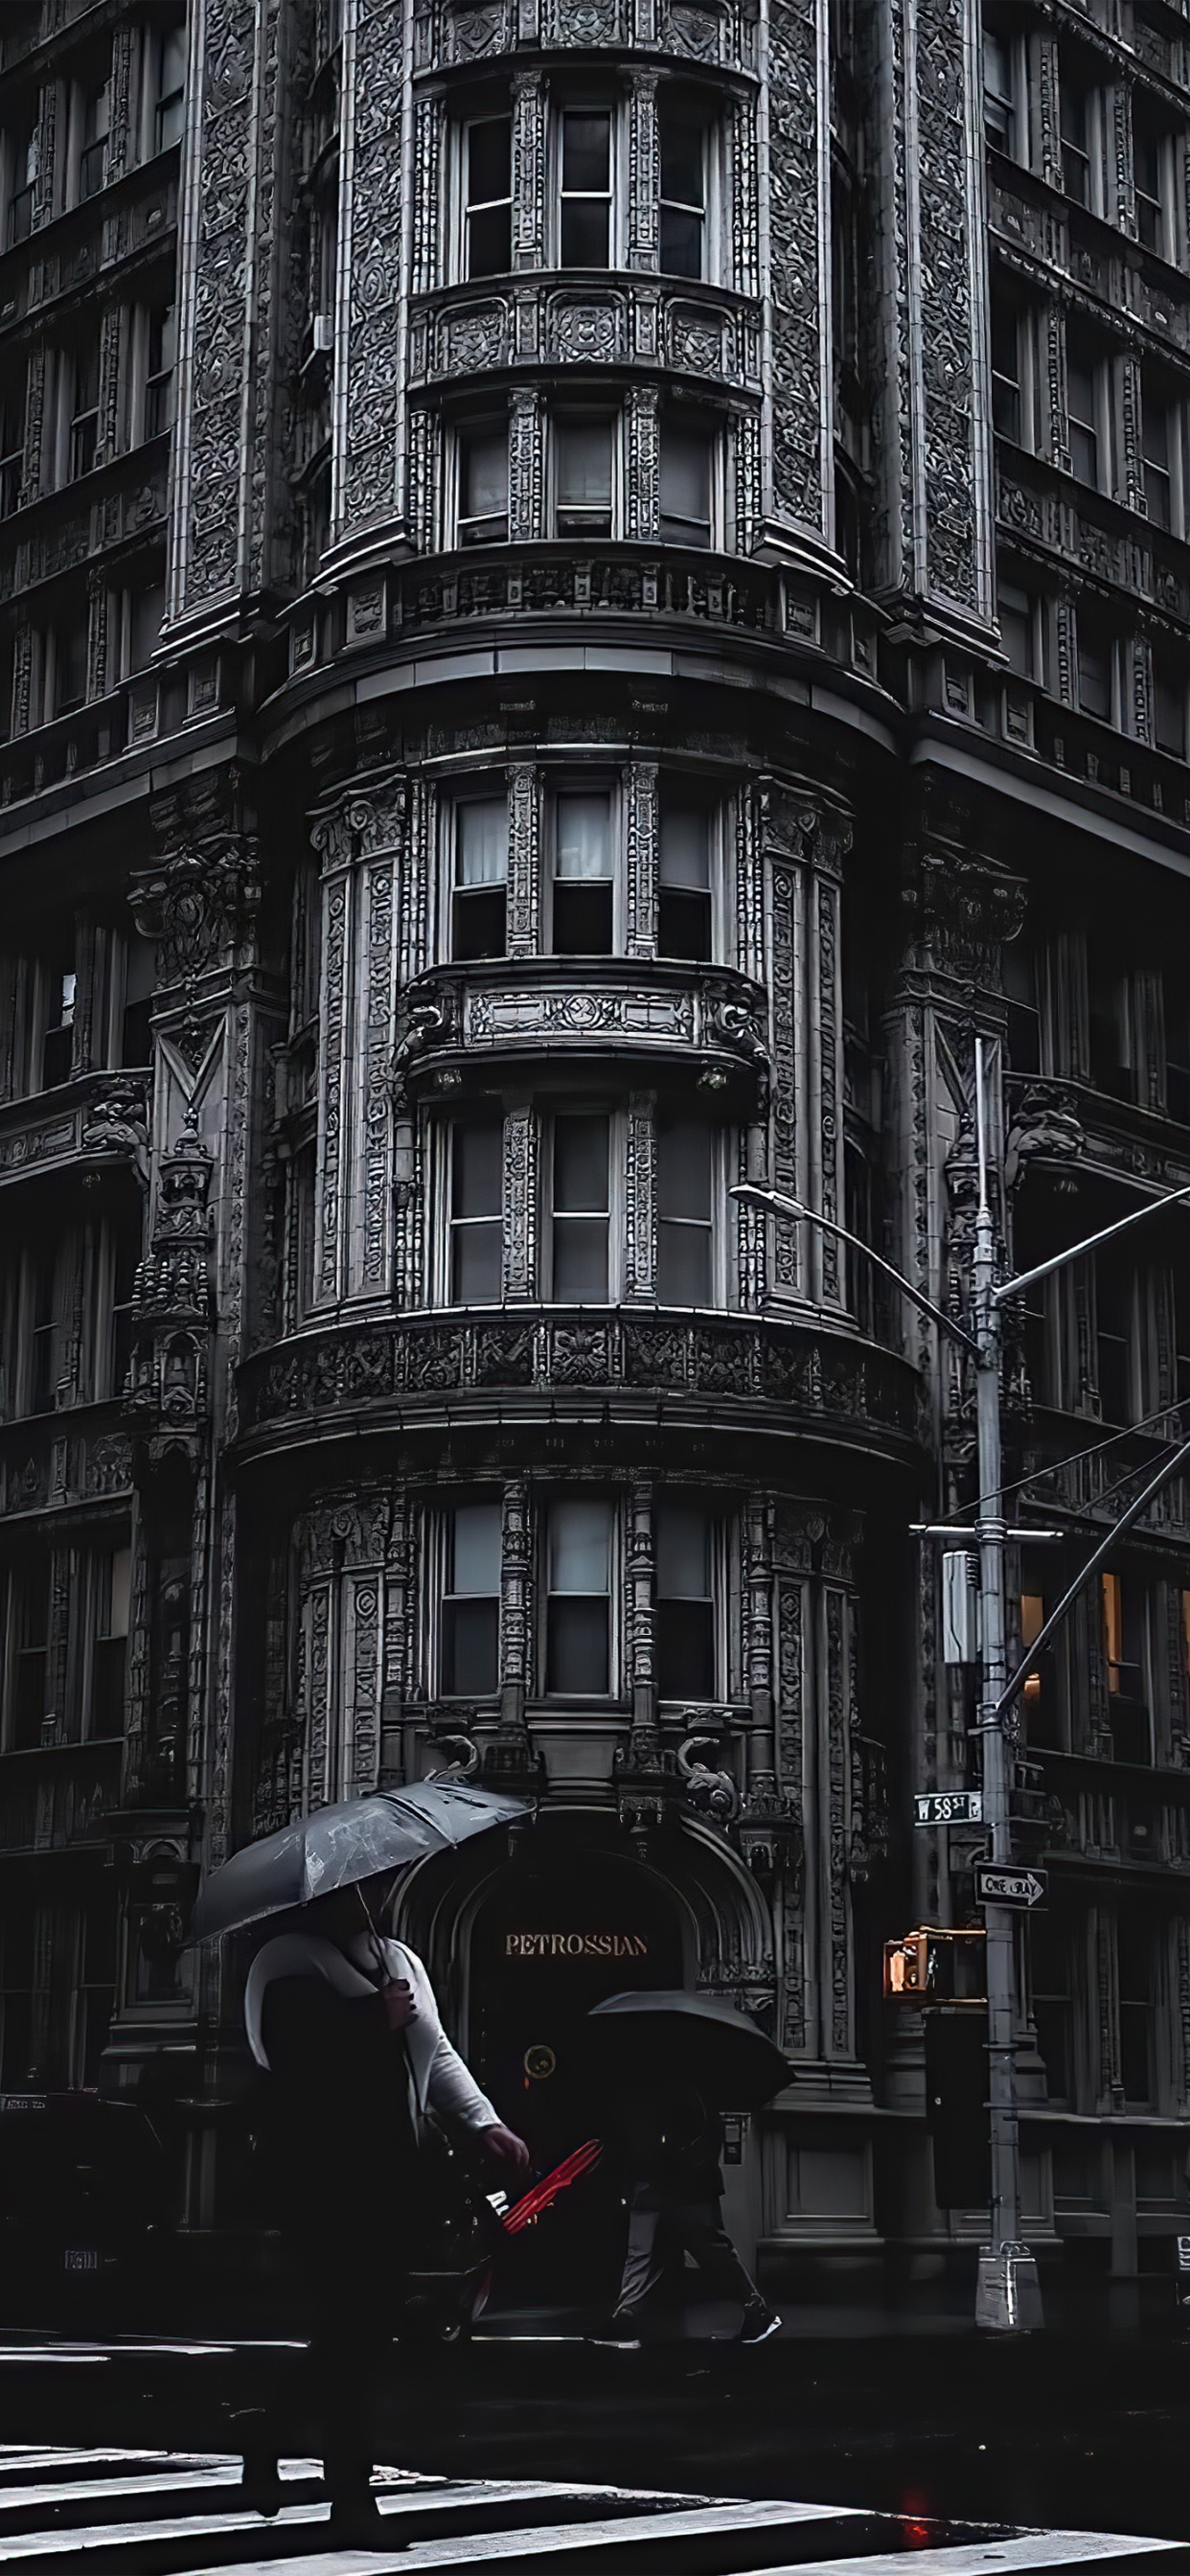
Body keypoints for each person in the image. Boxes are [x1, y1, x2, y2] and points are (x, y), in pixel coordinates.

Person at [239, 1877, 528, 2544]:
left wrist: (483, 2122)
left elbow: (439, 2052)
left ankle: (270, 2434)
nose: (366, 1898)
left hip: (395, 2172)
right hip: (317, 2175)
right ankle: (351, 2498)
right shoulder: (286, 1961)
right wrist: (375, 2018)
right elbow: (291, 2056)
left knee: (358, 2331)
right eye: (350, 1890)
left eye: (371, 1887)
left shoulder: (402, 1961)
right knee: (355, 2326)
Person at [591, 2078, 780, 2348]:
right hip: (655, 2182)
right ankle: (627, 2315)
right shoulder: (658, 2091)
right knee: (642, 2251)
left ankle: (756, 2308)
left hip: (687, 2185)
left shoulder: (690, 2091)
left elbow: (701, 2139)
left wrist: (669, 2157)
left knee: (711, 2251)